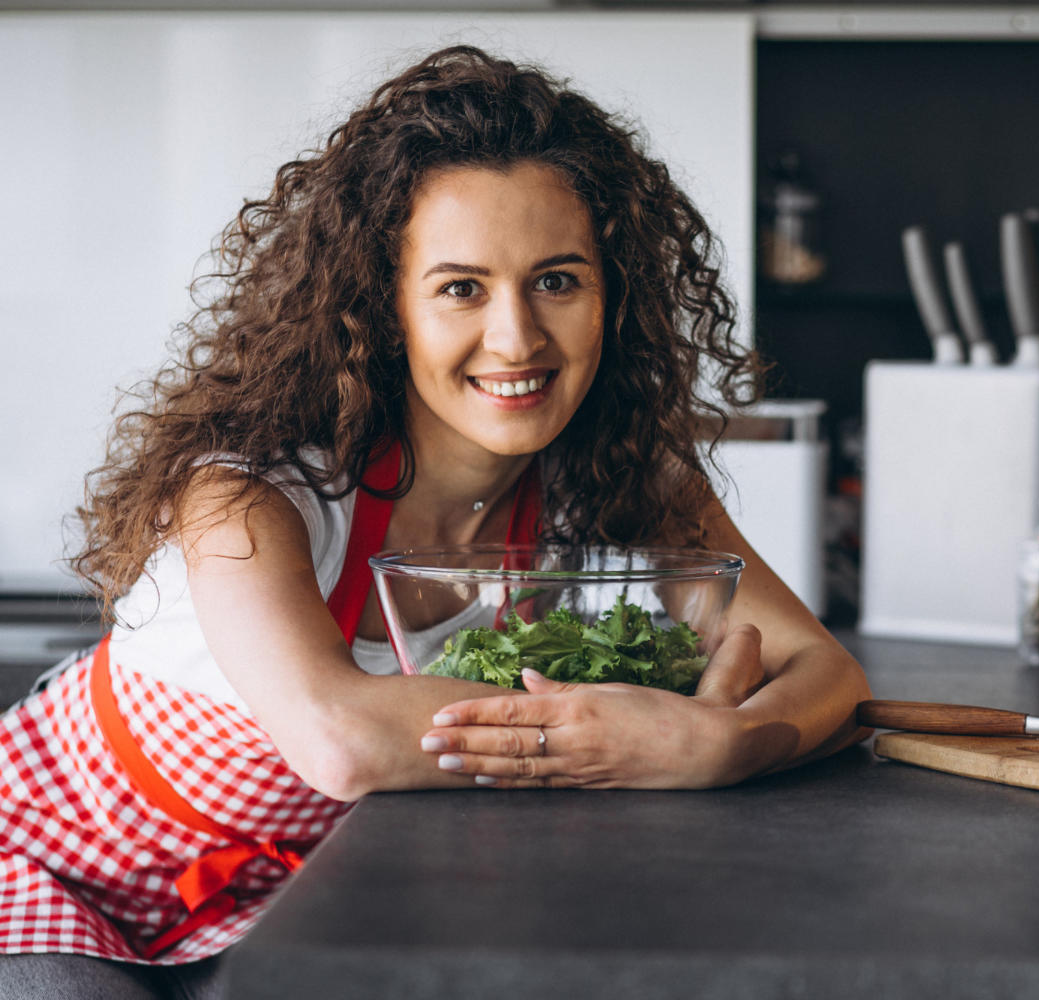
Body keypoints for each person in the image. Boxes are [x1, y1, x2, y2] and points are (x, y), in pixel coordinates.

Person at [0, 45, 872, 998]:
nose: (517, 338)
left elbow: (828, 676)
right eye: (462, 287)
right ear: (386, 308)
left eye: (558, 280)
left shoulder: (623, 480)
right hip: (57, 881)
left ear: (611, 297)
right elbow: (342, 738)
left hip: (287, 903)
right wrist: (626, 735)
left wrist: (722, 745)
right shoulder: (250, 494)